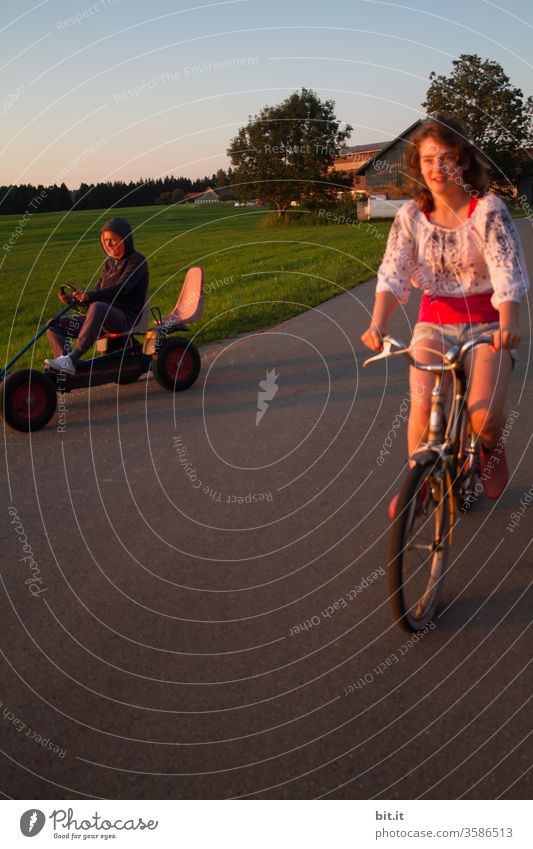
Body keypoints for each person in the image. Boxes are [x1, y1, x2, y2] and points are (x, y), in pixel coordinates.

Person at [361, 115, 529, 516]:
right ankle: (419, 478)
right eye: (428, 159)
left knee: (484, 416)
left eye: (447, 157)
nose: (438, 168)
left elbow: (507, 272)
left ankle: (488, 445)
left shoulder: (488, 211)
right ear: (418, 166)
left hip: (486, 325)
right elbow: (392, 272)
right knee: (421, 404)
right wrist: (377, 323)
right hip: (433, 322)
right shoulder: (410, 218)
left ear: (464, 161)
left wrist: (508, 326)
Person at [45, 216, 148, 375]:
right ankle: (64, 364)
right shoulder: (109, 264)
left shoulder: (137, 261)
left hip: (126, 318)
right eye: (105, 240)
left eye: (113, 240)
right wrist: (74, 299)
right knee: (53, 324)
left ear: (126, 239)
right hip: (102, 318)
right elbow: (96, 295)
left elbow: (121, 289)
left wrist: (90, 297)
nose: (109, 244)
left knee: (98, 306)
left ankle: (73, 358)